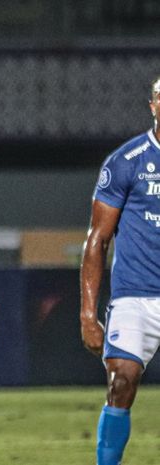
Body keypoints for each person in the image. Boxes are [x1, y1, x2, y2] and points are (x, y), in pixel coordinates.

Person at [81, 75, 160, 465]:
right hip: (136, 296)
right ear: (153, 106)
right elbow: (97, 240)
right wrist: (87, 313)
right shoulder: (126, 162)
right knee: (122, 380)